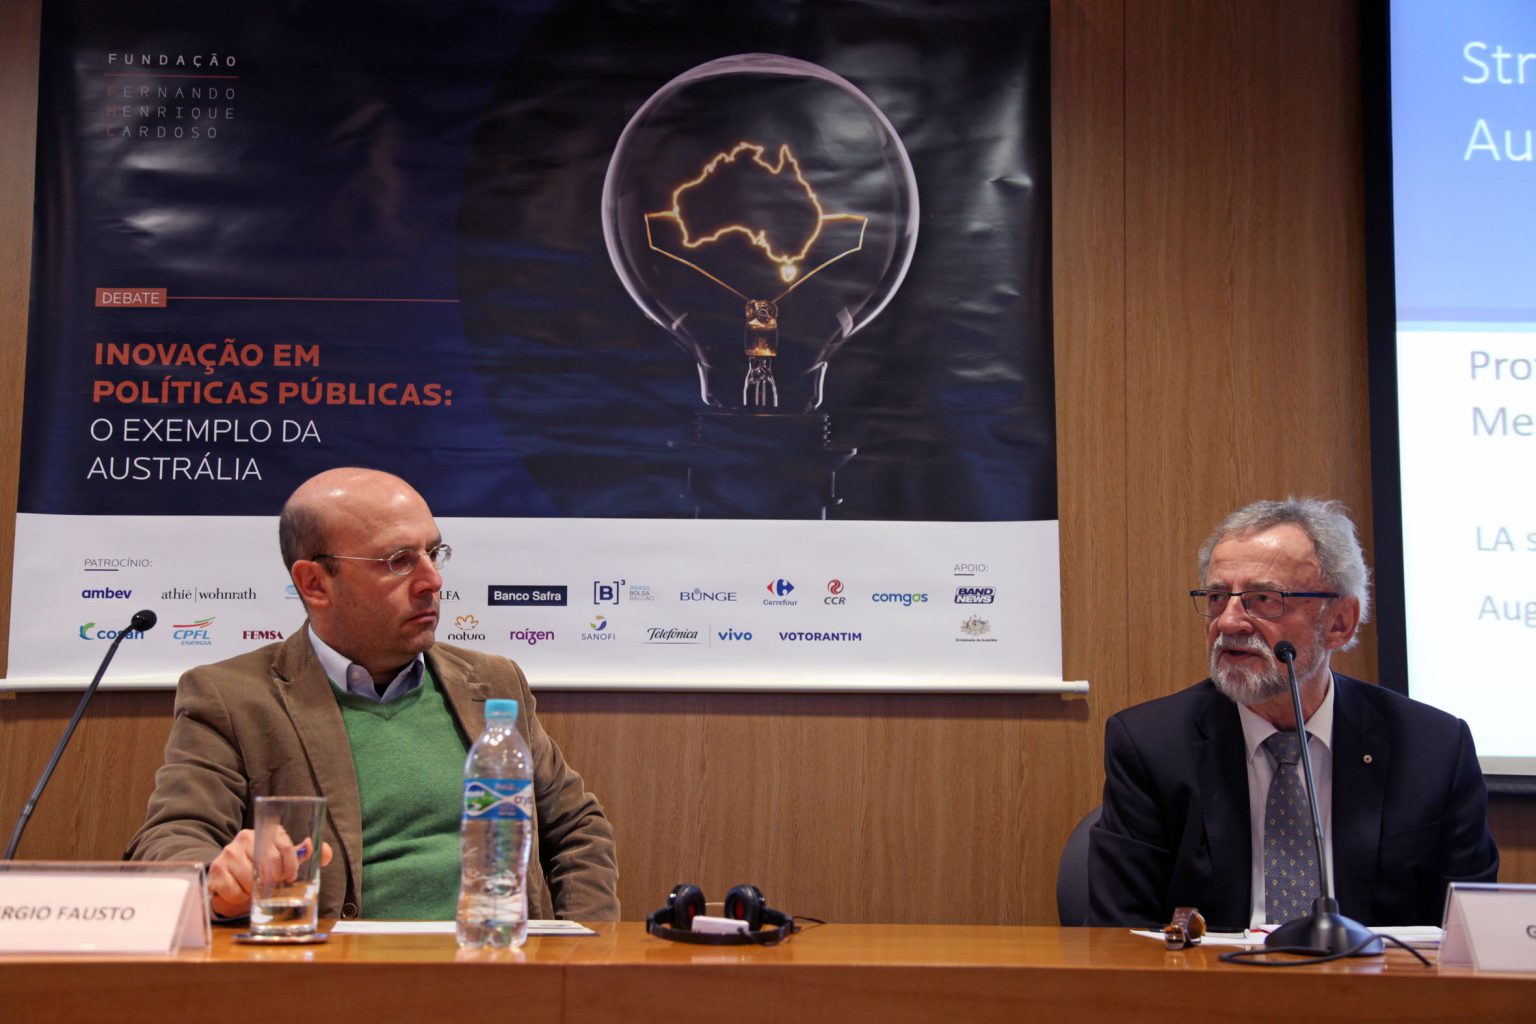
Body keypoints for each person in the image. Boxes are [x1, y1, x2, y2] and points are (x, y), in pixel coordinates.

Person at [126, 467, 619, 922]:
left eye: (433, 553)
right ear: (315, 583)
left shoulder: (493, 682)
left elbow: (576, 828)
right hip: (334, 975)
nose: (432, 581)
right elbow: (169, 841)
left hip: (498, 965)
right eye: (399, 561)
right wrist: (218, 877)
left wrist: (582, 956)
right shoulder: (232, 697)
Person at [1087, 497, 1497, 930]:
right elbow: (1119, 934)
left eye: (1264, 598)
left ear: (1340, 622)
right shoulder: (1151, 745)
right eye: (1217, 596)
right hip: (1211, 974)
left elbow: (1470, 934)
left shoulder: (1432, 749)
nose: (1228, 622)